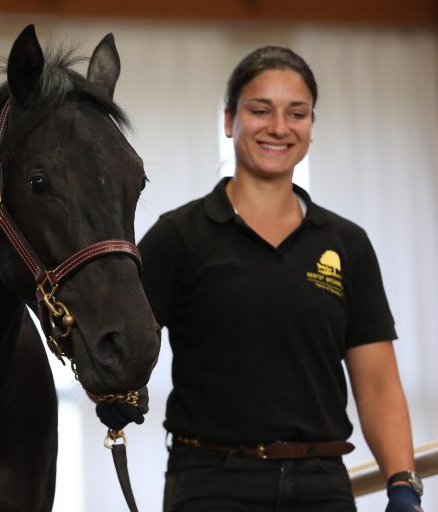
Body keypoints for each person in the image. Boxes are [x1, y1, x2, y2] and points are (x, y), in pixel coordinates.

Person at [135, 46, 424, 511]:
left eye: (297, 113)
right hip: (211, 482)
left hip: (323, 483)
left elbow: (377, 385)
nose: (278, 127)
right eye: (260, 110)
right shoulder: (177, 237)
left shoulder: (347, 243)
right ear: (230, 120)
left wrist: (403, 483)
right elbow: (122, 345)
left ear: (311, 126)